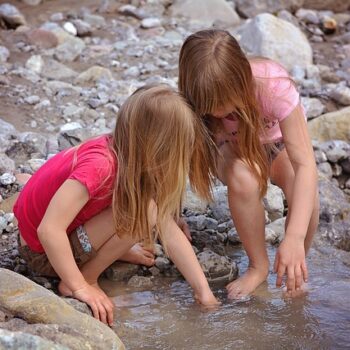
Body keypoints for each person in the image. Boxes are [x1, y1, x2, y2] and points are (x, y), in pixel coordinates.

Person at [14, 85, 219, 326]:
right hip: (40, 252)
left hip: (54, 235)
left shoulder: (123, 151)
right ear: (158, 149)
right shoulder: (101, 166)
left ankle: (107, 254)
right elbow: (49, 230)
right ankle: (85, 278)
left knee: (148, 208)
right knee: (145, 210)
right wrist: (80, 286)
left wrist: (203, 292)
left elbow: (169, 232)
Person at [178, 29, 319, 299]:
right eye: (209, 106)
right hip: (231, 150)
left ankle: (295, 264)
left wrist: (294, 237)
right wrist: (174, 212)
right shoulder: (195, 101)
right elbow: (174, 159)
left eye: (223, 103)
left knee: (306, 195)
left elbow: (305, 163)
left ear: (242, 78)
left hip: (277, 148)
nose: (218, 112)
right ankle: (258, 265)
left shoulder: (273, 86)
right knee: (244, 179)